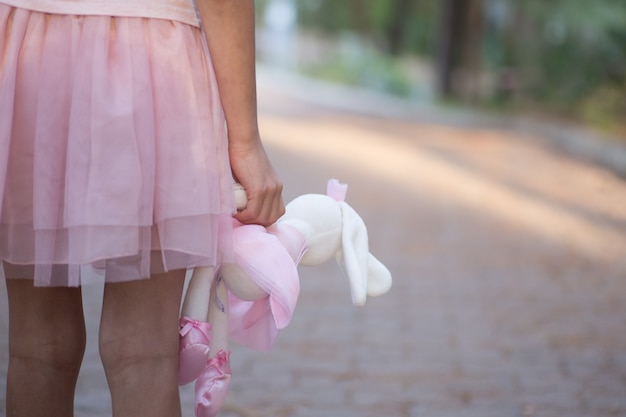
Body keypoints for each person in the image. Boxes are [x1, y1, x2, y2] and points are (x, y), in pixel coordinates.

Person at [0, 0, 284, 416]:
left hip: (30, 50)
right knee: (143, 353)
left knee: (36, 349)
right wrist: (245, 140)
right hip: (150, 57)